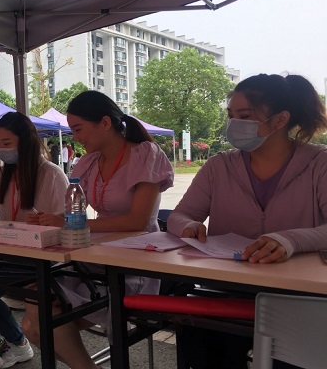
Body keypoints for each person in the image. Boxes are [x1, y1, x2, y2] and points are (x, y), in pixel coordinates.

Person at [167, 73, 327, 369]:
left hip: (298, 295)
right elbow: (179, 215)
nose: (233, 124)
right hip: (227, 289)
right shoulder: (219, 166)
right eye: (230, 115)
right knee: (199, 340)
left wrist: (289, 240)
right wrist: (188, 226)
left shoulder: (320, 163)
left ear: (280, 120)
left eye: (244, 116)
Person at [23, 90, 174, 369]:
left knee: (41, 318)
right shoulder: (89, 162)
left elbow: (136, 222)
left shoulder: (145, 155)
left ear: (105, 123)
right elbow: (76, 212)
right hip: (96, 256)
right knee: (35, 308)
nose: (75, 137)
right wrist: (55, 218)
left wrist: (72, 223)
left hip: (136, 261)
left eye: (78, 129)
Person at [0, 112, 68, 369]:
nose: (1, 149)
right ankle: (5, 346)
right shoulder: (4, 173)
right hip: (7, 251)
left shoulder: (52, 175)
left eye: (7, 143)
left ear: (26, 141)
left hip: (40, 256)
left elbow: (68, 221)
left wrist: (47, 221)